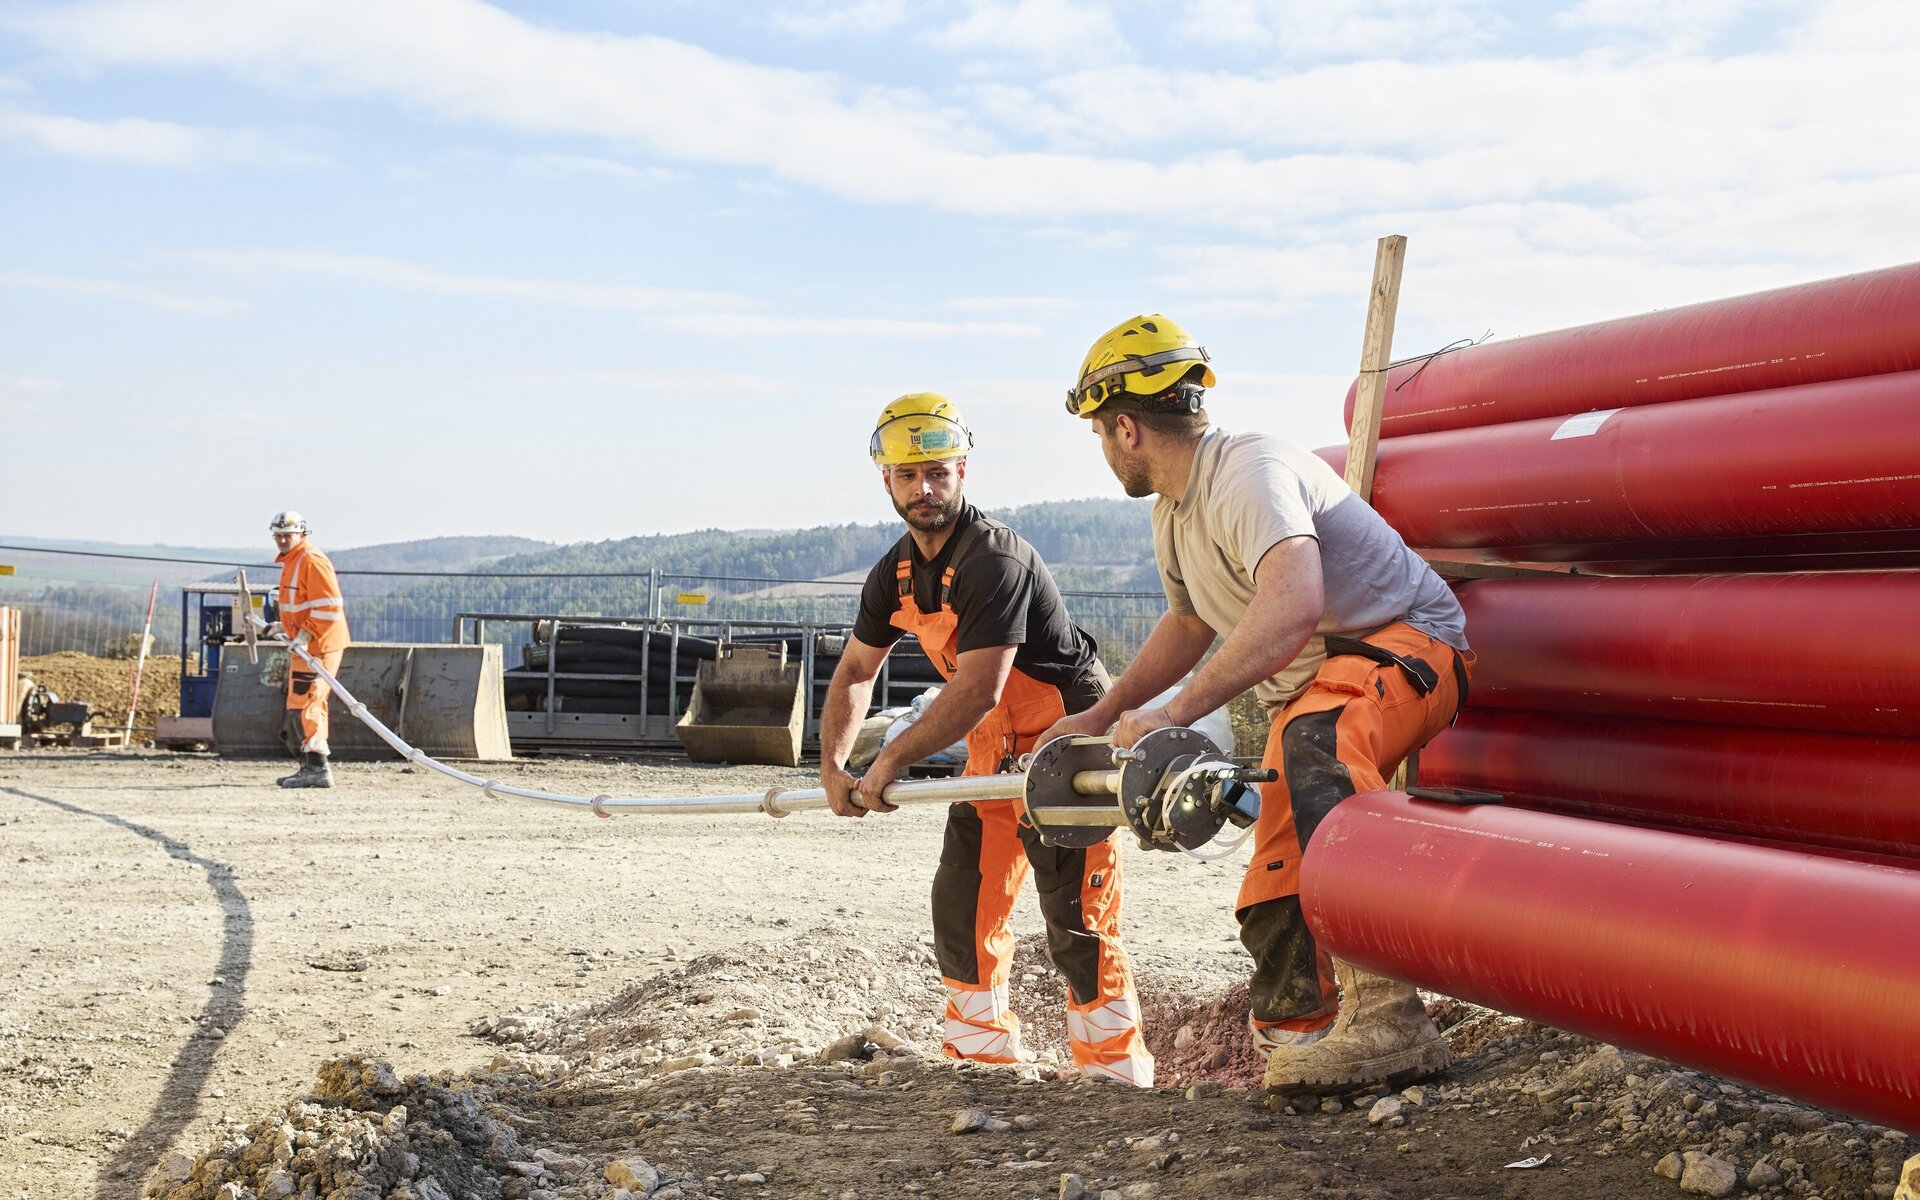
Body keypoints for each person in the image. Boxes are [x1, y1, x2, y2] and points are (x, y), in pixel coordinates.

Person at [1039, 315, 1473, 1098]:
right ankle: (1306, 1050)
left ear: (1126, 428)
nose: (1104, 450)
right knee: (1274, 881)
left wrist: (1176, 713)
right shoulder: (1174, 512)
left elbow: (1294, 602)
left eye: (1101, 432)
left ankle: (1392, 1020)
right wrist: (1102, 715)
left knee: (1317, 748)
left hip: (1408, 650)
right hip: (1317, 695)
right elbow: (1188, 624)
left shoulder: (1248, 472)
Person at [817, 393, 1154, 1086]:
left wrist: (890, 759)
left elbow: (978, 688)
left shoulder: (994, 559)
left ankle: (1117, 1076)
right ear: (886, 480)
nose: (924, 489)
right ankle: (980, 1057)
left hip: (1068, 742)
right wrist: (831, 764)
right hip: (991, 748)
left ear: (962, 470)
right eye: (908, 475)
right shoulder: (895, 574)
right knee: (964, 903)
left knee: (1077, 916)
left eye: (938, 472)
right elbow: (855, 669)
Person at [268, 510, 349, 789]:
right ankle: (309, 766)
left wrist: (304, 634)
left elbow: (329, 608)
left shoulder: (311, 560)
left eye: (286, 536)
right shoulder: (292, 562)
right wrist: (285, 627)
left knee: (312, 703)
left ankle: (318, 768)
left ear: (301, 533)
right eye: (277, 536)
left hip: (320, 646)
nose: (281, 541)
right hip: (304, 646)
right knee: (298, 703)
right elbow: (300, 605)